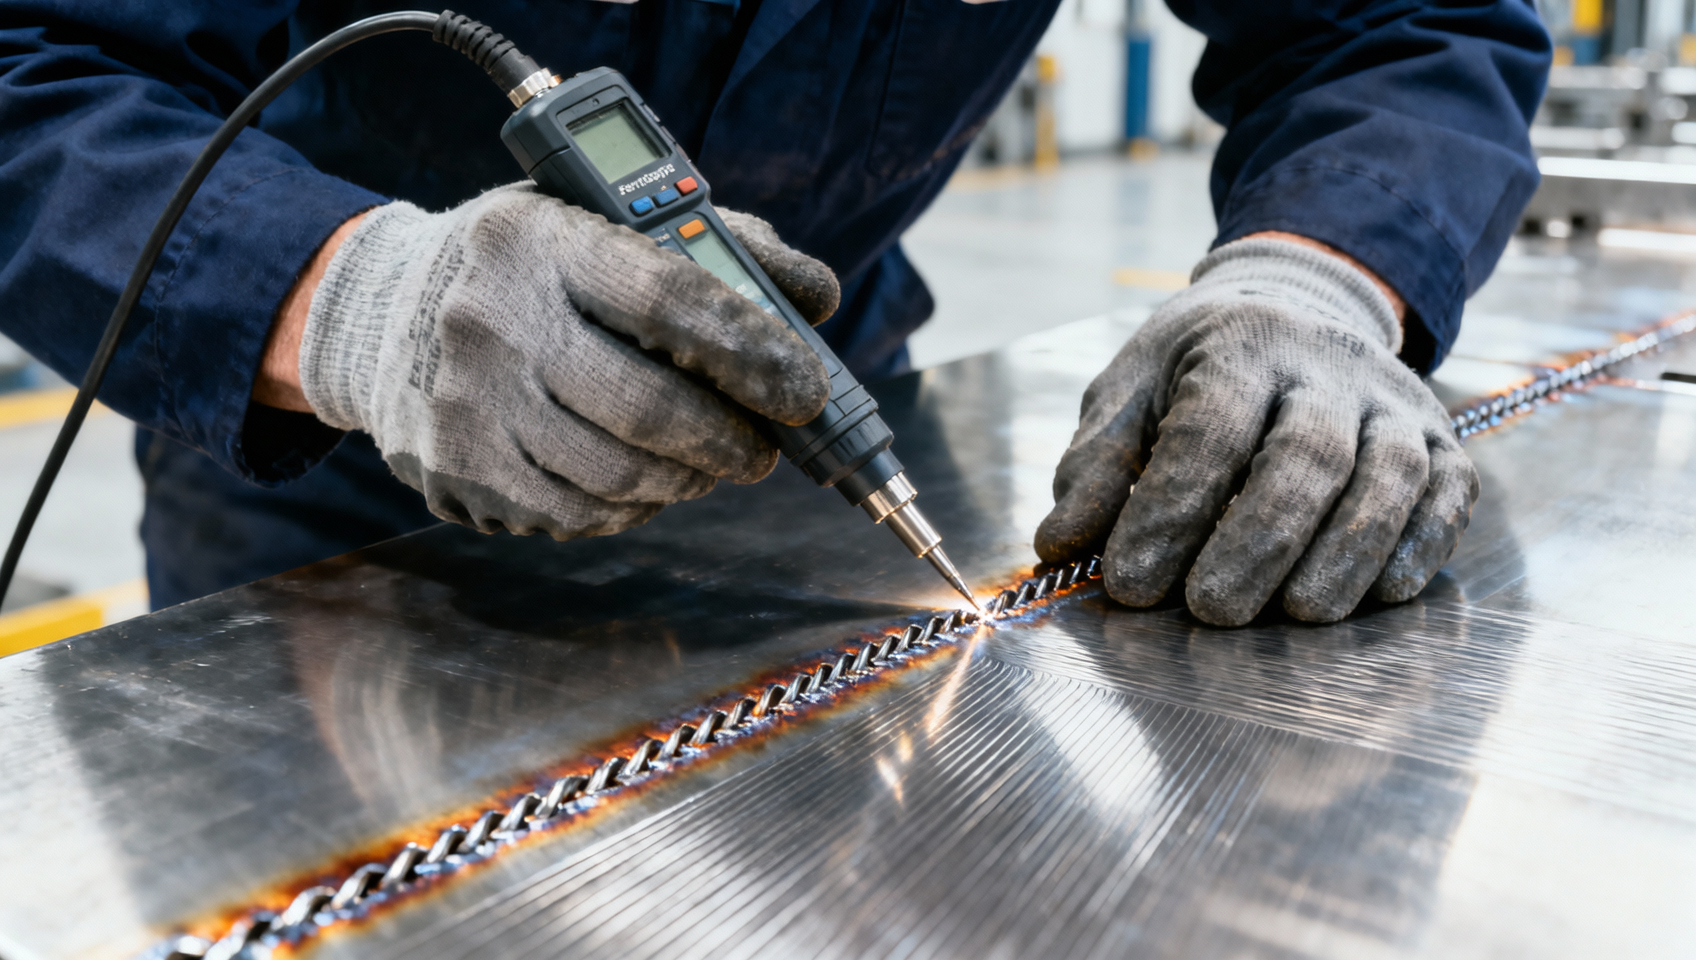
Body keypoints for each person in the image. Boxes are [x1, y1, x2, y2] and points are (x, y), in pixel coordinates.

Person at [0, 1, 1549, 624]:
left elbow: (1405, 16)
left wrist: (1320, 276)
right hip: (340, 469)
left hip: (823, 421)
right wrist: (345, 301)